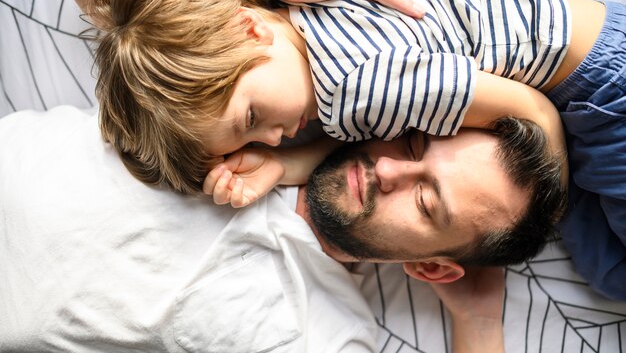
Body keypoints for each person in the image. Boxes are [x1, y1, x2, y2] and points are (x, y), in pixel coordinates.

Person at [51, 0, 625, 301]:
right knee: (606, 275)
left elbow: (527, 106)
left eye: (253, 116)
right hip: (590, 65)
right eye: (253, 135)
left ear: (246, 29)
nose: (276, 133)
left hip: (597, 90)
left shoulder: (356, 90)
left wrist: (550, 180)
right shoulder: (299, 10)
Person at [0, 105, 558, 352]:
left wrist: (480, 324)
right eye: (413, 146)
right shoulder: (272, 105)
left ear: (431, 265)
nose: (388, 170)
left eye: (426, 201)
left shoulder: (328, 335)